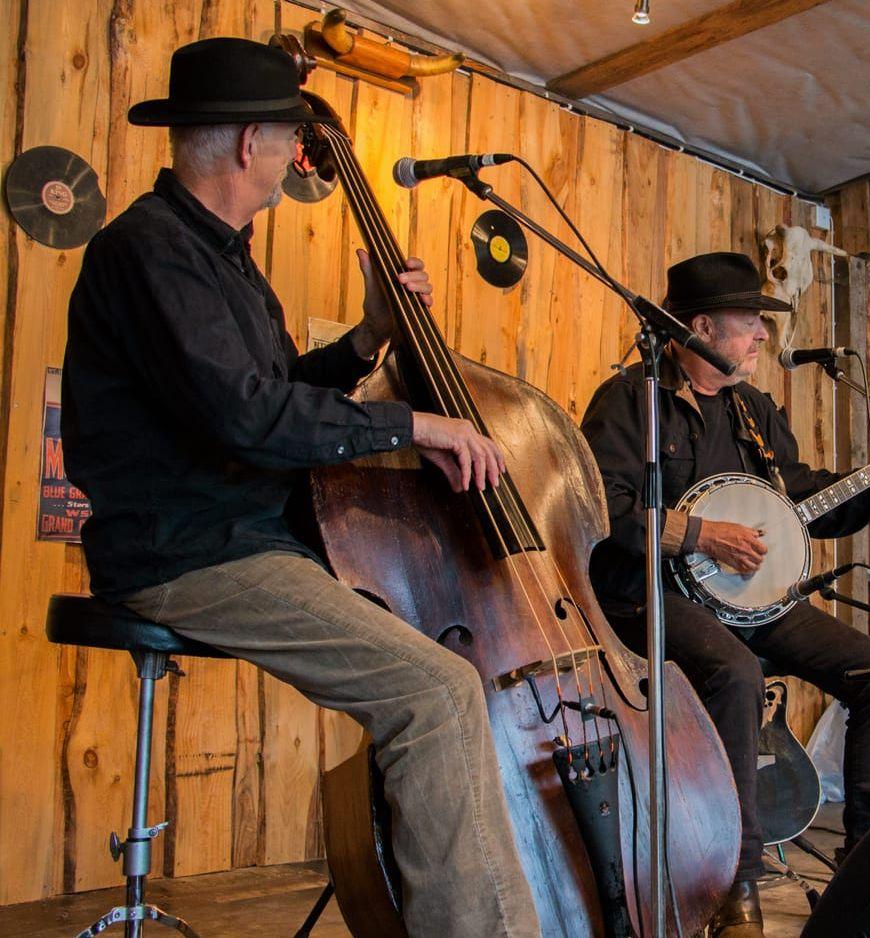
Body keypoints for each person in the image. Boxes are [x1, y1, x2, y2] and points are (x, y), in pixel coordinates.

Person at [61, 37, 537, 937]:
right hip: (189, 553)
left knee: (441, 686)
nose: (292, 158)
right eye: (286, 138)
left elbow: (274, 394)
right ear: (251, 143)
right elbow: (247, 420)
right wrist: (416, 424)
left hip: (248, 541)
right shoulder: (146, 250)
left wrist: (366, 339)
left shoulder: (225, 260)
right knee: (434, 694)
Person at [581, 252, 870, 938]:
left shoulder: (753, 413)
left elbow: (801, 505)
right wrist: (700, 535)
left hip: (750, 602)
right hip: (649, 594)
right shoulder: (631, 401)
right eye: (749, 322)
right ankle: (735, 887)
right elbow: (602, 507)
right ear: (702, 327)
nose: (762, 336)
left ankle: (867, 870)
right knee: (734, 675)